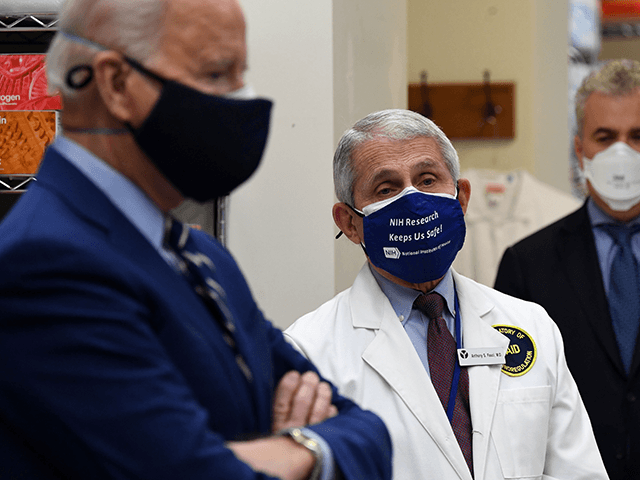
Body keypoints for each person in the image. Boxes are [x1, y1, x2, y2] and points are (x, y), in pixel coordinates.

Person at [0, 1, 392, 479]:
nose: (243, 98)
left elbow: (370, 432)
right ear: (116, 84)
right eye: (215, 74)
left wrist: (293, 451)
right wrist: (307, 450)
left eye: (240, 73)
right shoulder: (45, 264)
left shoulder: (202, 257)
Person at [284, 109, 608, 480]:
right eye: (386, 188)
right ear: (350, 222)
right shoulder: (309, 352)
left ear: (461, 198)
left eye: (427, 180)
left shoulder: (531, 325)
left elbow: (579, 473)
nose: (412, 201)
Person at [494, 59, 640, 480]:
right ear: (580, 149)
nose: (621, 153)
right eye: (605, 136)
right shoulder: (528, 264)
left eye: (637, 136)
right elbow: (506, 398)